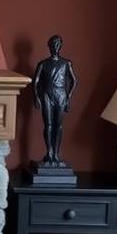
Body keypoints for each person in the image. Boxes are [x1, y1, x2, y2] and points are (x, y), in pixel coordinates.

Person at [32, 35, 77, 168]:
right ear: (49, 46)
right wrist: (36, 96)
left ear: (61, 46)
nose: (55, 47)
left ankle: (56, 154)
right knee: (48, 125)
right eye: (53, 44)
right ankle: (49, 153)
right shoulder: (43, 64)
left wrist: (68, 97)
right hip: (47, 94)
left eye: (57, 44)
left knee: (59, 126)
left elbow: (74, 81)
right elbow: (35, 82)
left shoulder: (66, 63)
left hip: (61, 95)